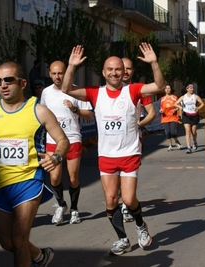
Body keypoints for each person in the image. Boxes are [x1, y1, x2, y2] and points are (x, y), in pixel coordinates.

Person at [61, 43, 165, 255]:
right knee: (110, 200)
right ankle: (122, 239)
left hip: (129, 153)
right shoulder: (95, 93)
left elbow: (158, 86)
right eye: (110, 69)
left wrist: (154, 62)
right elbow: (66, 89)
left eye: (118, 69)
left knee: (128, 199)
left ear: (123, 72)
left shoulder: (133, 90)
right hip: (106, 155)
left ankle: (140, 225)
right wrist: (71, 67)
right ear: (104, 72)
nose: (115, 73)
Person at [0, 61, 69, 266]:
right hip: (2, 183)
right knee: (7, 242)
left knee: (19, 239)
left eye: (9, 80)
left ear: (22, 83)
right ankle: (39, 256)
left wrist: (56, 157)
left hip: (30, 181)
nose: (3, 85)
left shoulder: (39, 111)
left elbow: (63, 141)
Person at [40, 60, 93, 225]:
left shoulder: (76, 91)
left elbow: (89, 115)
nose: (57, 76)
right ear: (50, 74)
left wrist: (74, 109)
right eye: (54, 73)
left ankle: (75, 209)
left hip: (72, 139)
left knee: (73, 177)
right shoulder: (46, 93)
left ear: (66, 73)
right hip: (53, 140)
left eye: (60, 73)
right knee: (54, 178)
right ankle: (61, 205)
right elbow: (41, 113)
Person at [121, 57, 156, 223]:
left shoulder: (139, 90)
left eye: (129, 68)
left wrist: (138, 124)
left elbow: (151, 113)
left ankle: (126, 204)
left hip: (132, 140)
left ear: (133, 71)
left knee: (128, 173)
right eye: (123, 68)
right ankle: (123, 201)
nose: (125, 72)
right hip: (111, 141)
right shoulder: (106, 90)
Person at [174, 84, 204, 154]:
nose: (192, 89)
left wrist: (198, 108)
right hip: (186, 115)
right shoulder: (183, 97)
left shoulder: (195, 96)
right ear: (187, 89)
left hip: (194, 115)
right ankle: (188, 147)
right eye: (190, 88)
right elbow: (175, 103)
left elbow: (202, 103)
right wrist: (180, 107)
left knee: (193, 131)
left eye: (192, 88)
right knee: (187, 131)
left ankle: (195, 141)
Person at [159, 84, 182, 151]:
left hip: (173, 117)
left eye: (169, 88)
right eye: (166, 88)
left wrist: (175, 109)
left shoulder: (174, 97)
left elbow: (179, 107)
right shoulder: (162, 99)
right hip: (165, 117)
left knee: (173, 132)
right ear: (164, 90)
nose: (167, 89)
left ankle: (177, 141)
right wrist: (161, 110)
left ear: (171, 89)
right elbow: (161, 108)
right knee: (167, 132)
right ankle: (170, 145)